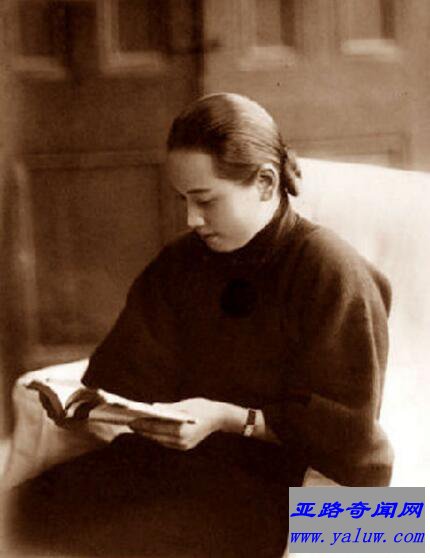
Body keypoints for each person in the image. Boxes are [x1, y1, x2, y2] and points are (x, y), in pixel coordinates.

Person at [8, 93, 393, 557]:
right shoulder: (181, 262)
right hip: (179, 463)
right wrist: (104, 407)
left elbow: (348, 436)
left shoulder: (329, 270)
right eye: (185, 200)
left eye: (206, 200)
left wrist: (227, 417)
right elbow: (125, 371)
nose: (192, 219)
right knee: (20, 516)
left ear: (266, 182)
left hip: (284, 486)